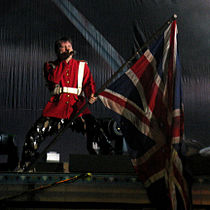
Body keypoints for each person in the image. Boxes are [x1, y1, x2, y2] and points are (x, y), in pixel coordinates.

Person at [19, 37, 113, 172]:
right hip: (57, 109)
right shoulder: (50, 66)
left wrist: (91, 95)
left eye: (69, 45)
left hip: (77, 108)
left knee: (97, 131)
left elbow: (88, 83)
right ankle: (26, 165)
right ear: (58, 51)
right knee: (34, 134)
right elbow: (54, 79)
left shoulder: (82, 66)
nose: (67, 48)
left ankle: (107, 163)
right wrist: (64, 62)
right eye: (63, 47)